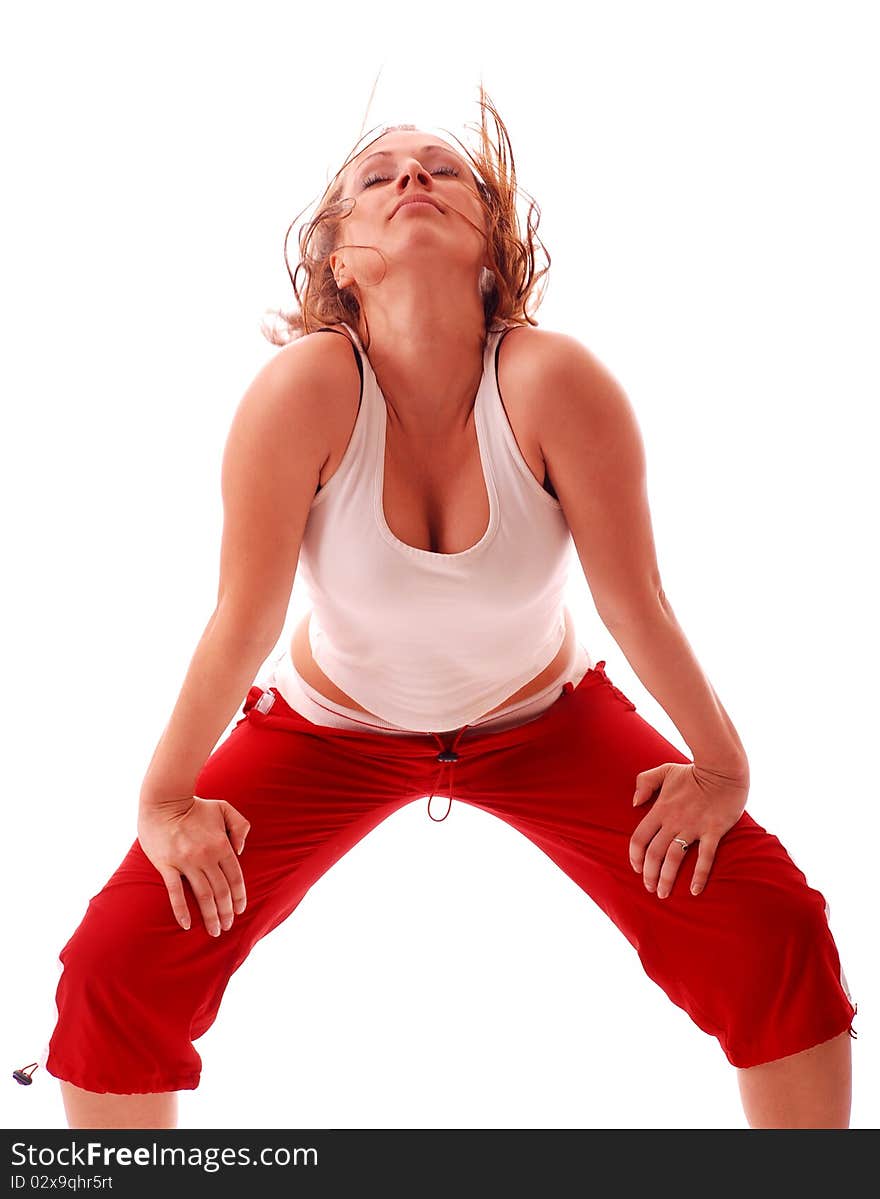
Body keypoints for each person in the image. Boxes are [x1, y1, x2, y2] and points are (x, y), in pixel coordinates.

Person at [41, 94, 856, 1130]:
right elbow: (240, 616)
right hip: (329, 732)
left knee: (770, 922)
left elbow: (634, 599)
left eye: (442, 170)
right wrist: (163, 797)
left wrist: (723, 768)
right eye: (376, 177)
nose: (411, 179)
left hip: (544, 720)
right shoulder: (304, 391)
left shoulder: (552, 382)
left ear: (491, 248)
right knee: (118, 961)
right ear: (340, 258)